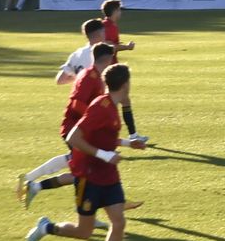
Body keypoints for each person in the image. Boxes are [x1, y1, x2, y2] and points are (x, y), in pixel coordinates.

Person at [25, 62, 146, 241]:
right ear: (125, 84)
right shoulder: (101, 106)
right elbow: (73, 137)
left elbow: (102, 137)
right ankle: (46, 228)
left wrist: (129, 143)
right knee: (84, 232)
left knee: (119, 222)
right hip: (89, 177)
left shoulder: (112, 105)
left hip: (109, 175)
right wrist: (104, 155)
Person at [19, 41, 148, 210]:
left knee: (77, 167)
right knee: (84, 173)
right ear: (109, 59)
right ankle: (103, 207)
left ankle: (33, 183)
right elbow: (77, 104)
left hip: (81, 128)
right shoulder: (90, 78)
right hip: (75, 129)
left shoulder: (96, 77)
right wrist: (93, 118)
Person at [55, 17, 107, 85]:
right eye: (103, 31)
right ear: (99, 33)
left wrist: (80, 77)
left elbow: (60, 80)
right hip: (97, 94)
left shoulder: (76, 54)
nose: (105, 34)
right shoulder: (104, 54)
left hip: (80, 93)